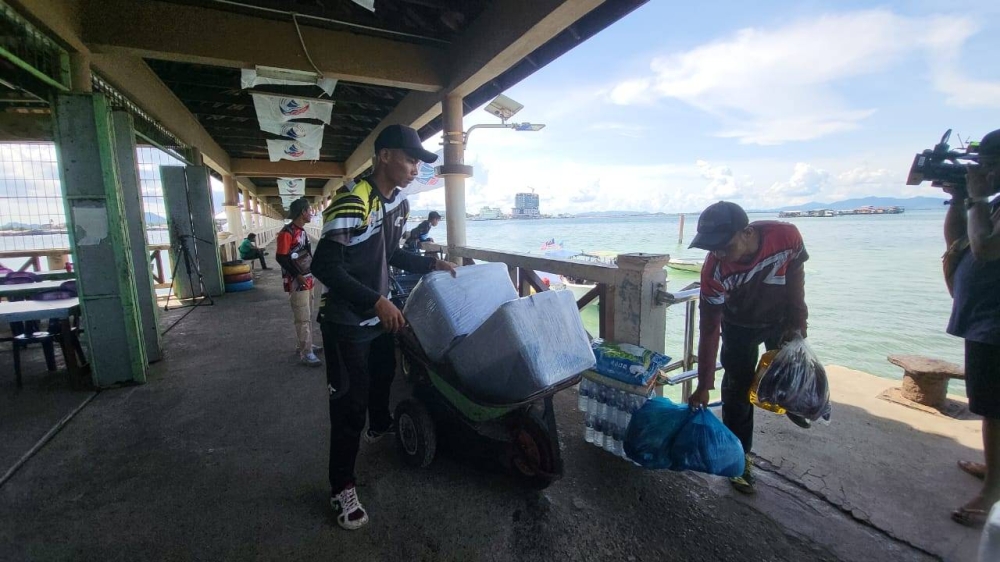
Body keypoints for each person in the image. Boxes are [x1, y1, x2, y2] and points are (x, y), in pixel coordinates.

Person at [311, 124, 457, 531]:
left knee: (384, 378)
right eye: (411, 160)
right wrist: (375, 299)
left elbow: (391, 253)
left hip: (378, 318)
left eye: (418, 163)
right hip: (345, 322)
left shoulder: (397, 205)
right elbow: (325, 265)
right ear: (386, 156)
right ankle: (341, 487)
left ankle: (379, 427)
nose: (415, 169)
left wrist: (432, 263)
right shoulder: (351, 201)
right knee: (347, 409)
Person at [687, 201, 810, 495]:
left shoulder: (787, 236)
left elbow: (796, 280)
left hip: (780, 319)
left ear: (747, 232)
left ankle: (793, 403)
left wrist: (799, 326)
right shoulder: (714, 270)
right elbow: (708, 329)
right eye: (710, 248)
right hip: (738, 326)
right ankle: (739, 462)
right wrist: (705, 385)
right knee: (737, 393)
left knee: (789, 375)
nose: (717, 254)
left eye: (723, 246)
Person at [944, 128, 1000, 527]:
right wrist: (960, 198)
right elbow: (959, 243)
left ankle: (994, 490)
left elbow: (987, 248)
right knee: (988, 405)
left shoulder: (991, 203)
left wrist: (977, 197)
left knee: (995, 408)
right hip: (983, 320)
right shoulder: (991, 204)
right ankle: (993, 466)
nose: (986, 173)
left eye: (989, 166)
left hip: (996, 324)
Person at [275, 198, 321, 367]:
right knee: (302, 316)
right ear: (302, 212)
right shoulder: (286, 233)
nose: (311, 213)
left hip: (308, 278)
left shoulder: (301, 231)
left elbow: (307, 253)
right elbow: (281, 257)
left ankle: (305, 344)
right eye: (310, 210)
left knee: (307, 314)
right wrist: (297, 275)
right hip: (298, 281)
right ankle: (306, 352)